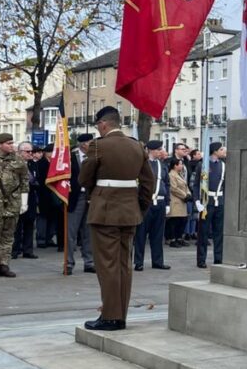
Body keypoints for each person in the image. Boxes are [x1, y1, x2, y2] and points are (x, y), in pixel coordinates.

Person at [79, 106, 154, 331]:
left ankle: (111, 316)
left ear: (103, 124)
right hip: (130, 212)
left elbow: (84, 178)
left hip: (105, 212)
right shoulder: (137, 146)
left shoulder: (98, 146)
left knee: (107, 266)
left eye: (97, 126)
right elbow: (148, 183)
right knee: (124, 265)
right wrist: (139, 208)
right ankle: (120, 315)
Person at [0, 134, 28, 279]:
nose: (12, 145)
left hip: (13, 201)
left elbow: (24, 181)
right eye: (8, 143)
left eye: (12, 143)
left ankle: (4, 264)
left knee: (8, 236)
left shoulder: (18, 159)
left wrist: (24, 201)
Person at [133, 140, 171, 271]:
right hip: (145, 203)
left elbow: (167, 184)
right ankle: (138, 262)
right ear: (151, 150)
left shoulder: (162, 165)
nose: (161, 151)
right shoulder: (142, 164)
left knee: (158, 234)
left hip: (160, 202)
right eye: (159, 149)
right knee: (141, 234)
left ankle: (158, 261)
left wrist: (167, 202)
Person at [65, 133, 95, 274]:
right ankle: (69, 262)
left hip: (90, 197)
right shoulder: (70, 158)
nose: (93, 145)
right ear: (83, 144)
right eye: (90, 142)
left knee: (88, 232)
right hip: (75, 198)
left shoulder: (94, 158)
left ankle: (89, 261)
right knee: (71, 232)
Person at [197, 142, 227, 268]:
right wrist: (197, 201)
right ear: (215, 151)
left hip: (219, 201)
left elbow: (225, 185)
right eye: (221, 149)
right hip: (206, 201)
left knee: (218, 232)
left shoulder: (223, 165)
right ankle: (201, 259)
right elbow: (196, 184)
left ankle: (218, 258)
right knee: (203, 232)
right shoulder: (202, 165)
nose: (224, 151)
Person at [11, 142, 40, 259]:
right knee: (17, 225)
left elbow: (37, 179)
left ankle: (28, 250)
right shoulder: (14, 164)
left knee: (29, 224)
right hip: (18, 197)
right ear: (20, 152)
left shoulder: (33, 164)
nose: (30, 154)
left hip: (31, 197)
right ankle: (14, 250)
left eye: (31, 151)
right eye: (27, 152)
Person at [166, 156, 190, 247]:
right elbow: (173, 188)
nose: (182, 166)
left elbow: (185, 185)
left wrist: (188, 194)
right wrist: (185, 195)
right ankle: (173, 239)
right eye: (180, 164)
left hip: (182, 202)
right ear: (175, 165)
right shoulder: (171, 175)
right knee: (174, 222)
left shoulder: (179, 174)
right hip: (175, 201)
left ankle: (179, 238)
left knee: (182, 221)